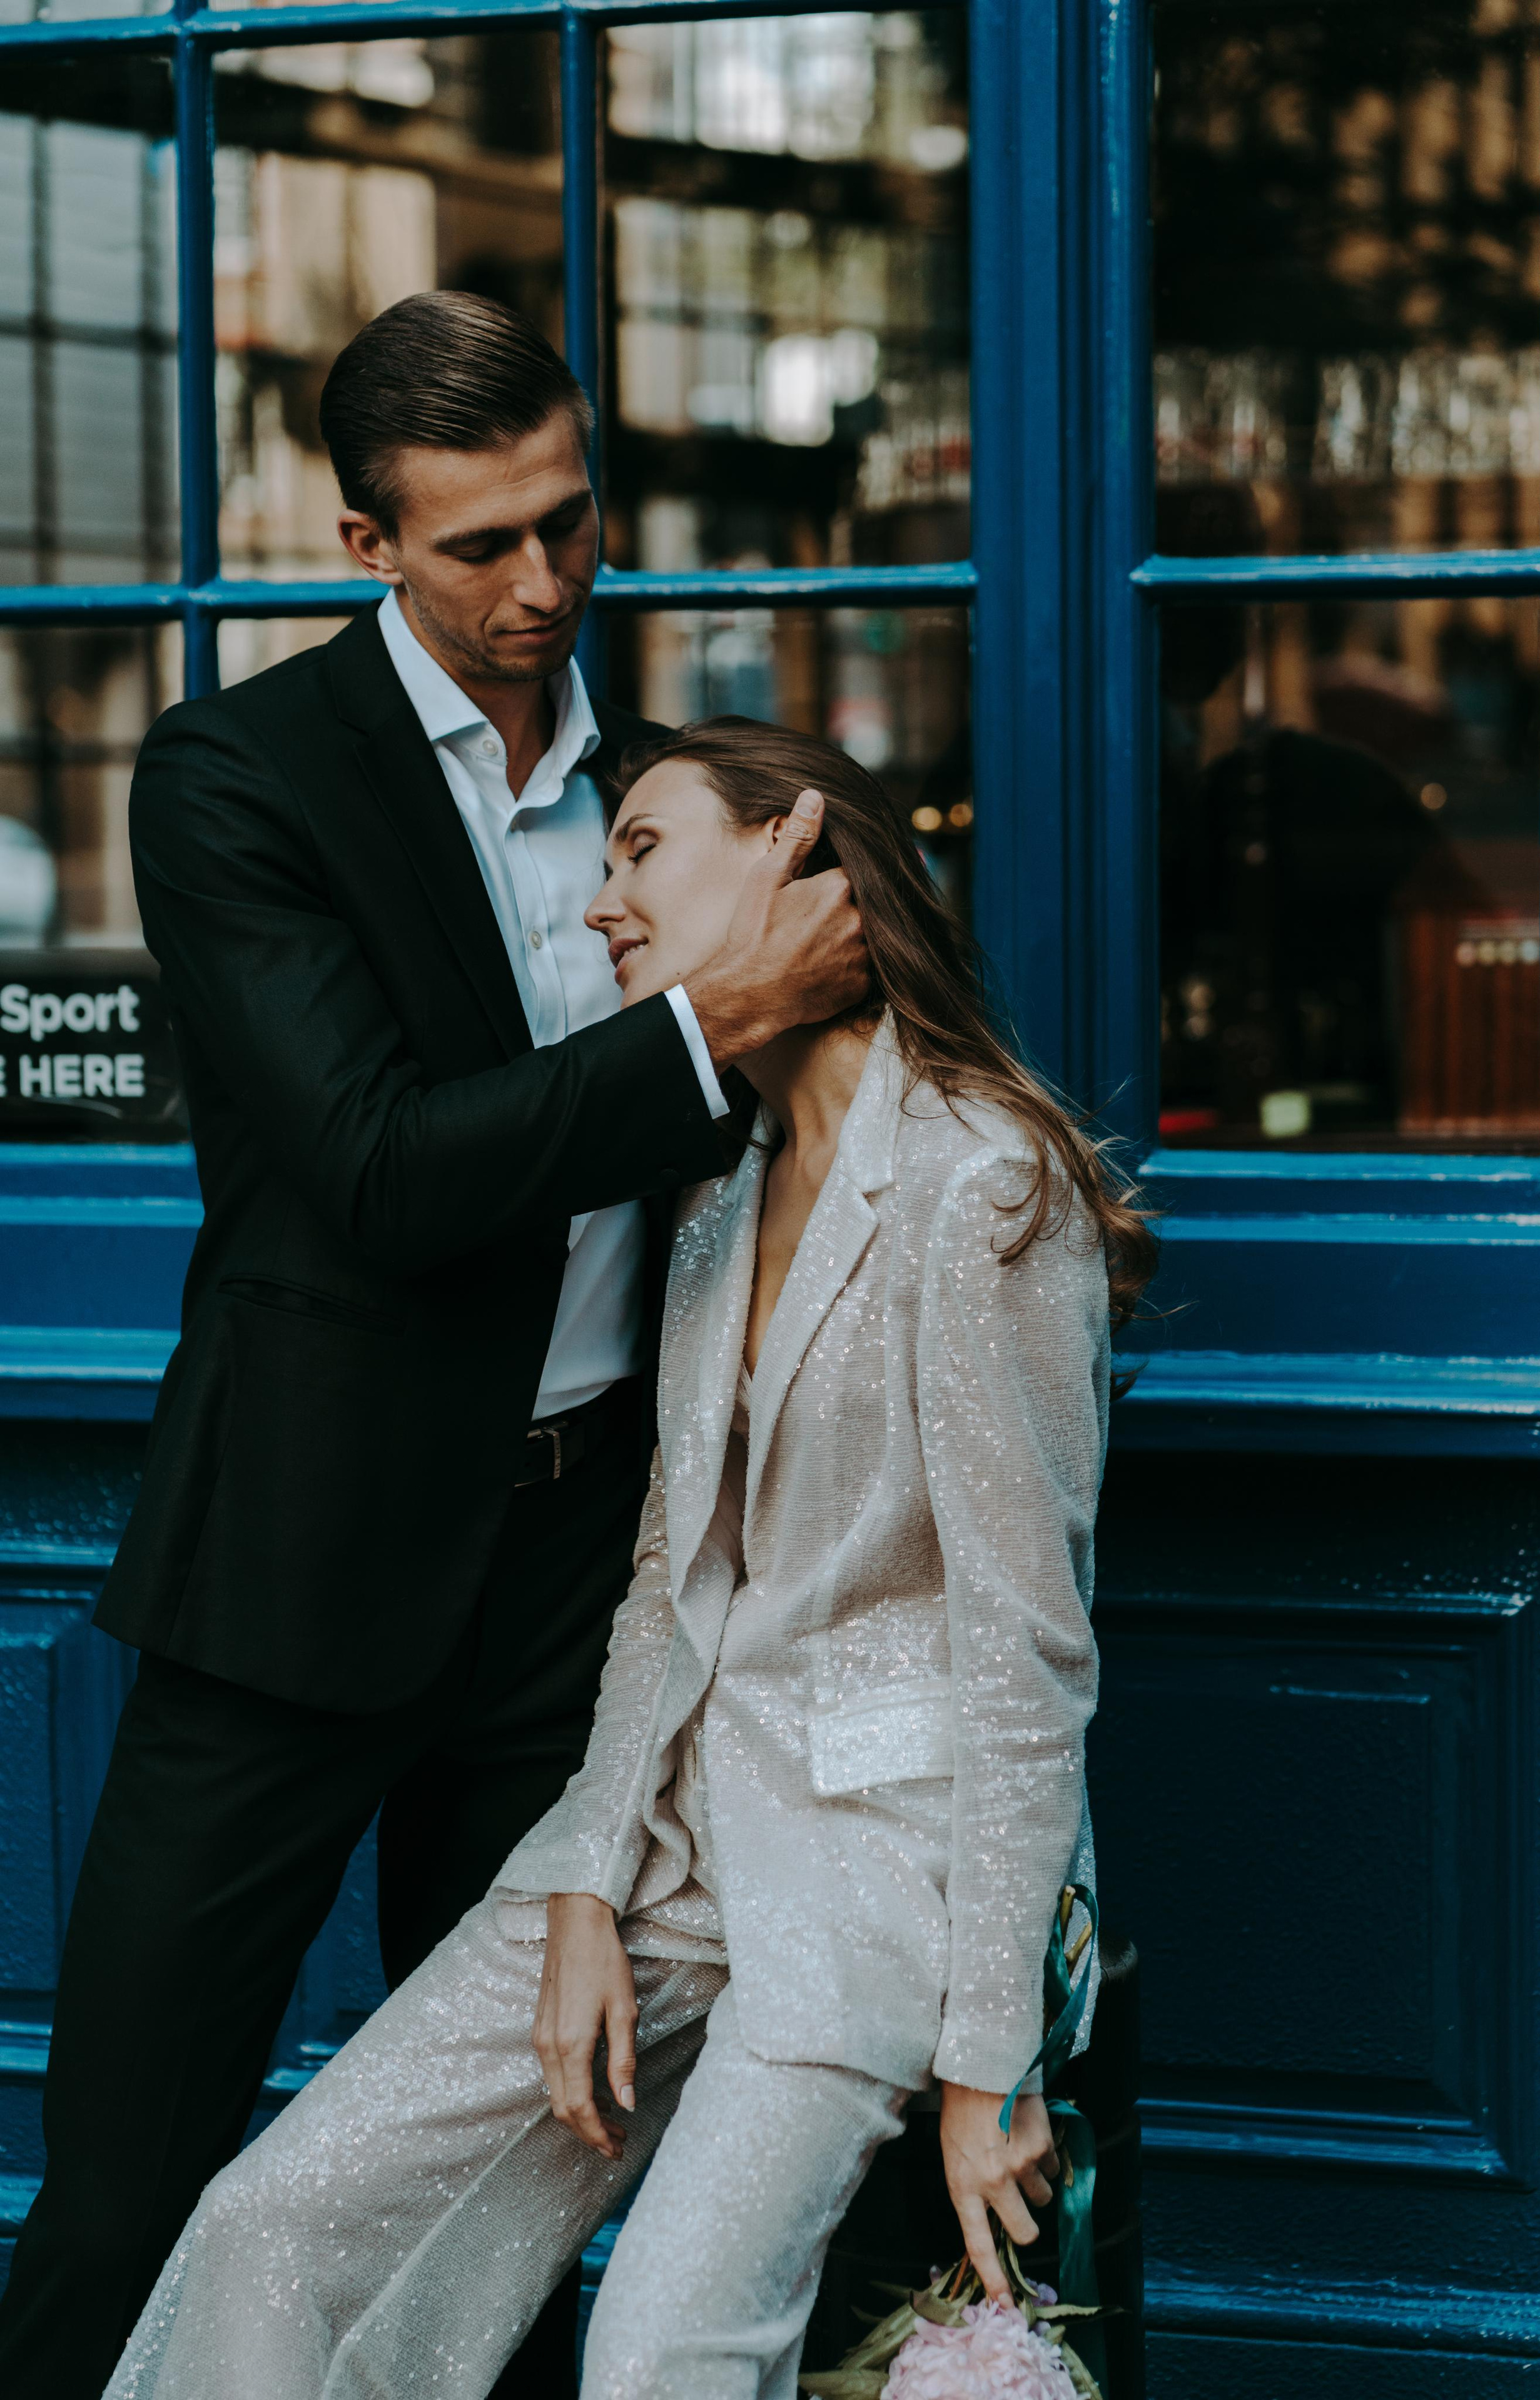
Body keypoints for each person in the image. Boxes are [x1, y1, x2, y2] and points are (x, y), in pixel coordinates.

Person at [0, 299, 869, 2400]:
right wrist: (714, 1022)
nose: (545, 586)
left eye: (572, 524)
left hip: (584, 1581)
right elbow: (378, 1169)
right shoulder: (235, 774)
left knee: (498, 2179)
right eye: (481, 546)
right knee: (129, 2180)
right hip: (294, 1570)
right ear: (366, 540)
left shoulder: (679, 789)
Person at [103, 717, 1155, 2400]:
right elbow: (671, 1571)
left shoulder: (982, 1184)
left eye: (642, 849)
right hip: (667, 1837)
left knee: (659, 2356)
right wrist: (587, 1877)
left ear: (797, 855)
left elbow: (1025, 1649)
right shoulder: (714, 1183)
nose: (601, 900)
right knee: (274, 2219)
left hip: (881, 1872)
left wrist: (989, 2056)